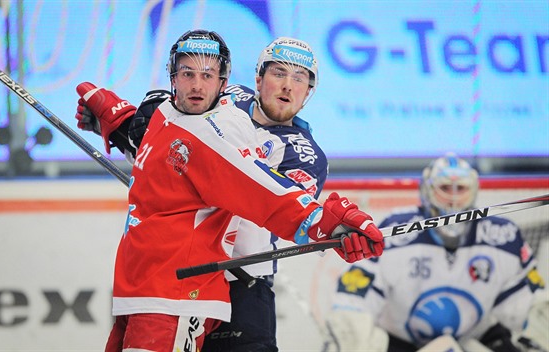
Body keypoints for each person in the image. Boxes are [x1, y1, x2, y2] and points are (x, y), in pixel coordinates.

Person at [75, 29, 384, 352]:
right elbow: (173, 149)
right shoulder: (224, 98)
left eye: (300, 79)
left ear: (309, 92)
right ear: (258, 77)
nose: (287, 85)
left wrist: (326, 222)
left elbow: (262, 196)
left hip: (241, 284)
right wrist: (131, 122)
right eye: (278, 73)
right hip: (178, 273)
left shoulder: (305, 155)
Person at [323, 153, 547, 352]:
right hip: (400, 344)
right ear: (427, 191)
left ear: (474, 192)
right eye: (445, 188)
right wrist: (352, 336)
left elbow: (531, 306)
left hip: (472, 340)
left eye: (461, 189)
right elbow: (353, 297)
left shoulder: (501, 236)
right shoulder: (396, 232)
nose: (453, 198)